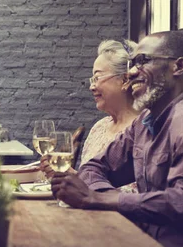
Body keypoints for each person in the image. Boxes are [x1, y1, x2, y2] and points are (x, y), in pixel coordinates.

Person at [50, 31, 183, 247]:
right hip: (151, 245)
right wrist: (99, 196)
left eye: (143, 61)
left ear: (178, 67)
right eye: (132, 63)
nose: (132, 71)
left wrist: (98, 199)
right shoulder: (145, 123)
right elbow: (94, 167)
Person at [41, 40, 139, 193]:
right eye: (92, 80)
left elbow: (141, 196)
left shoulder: (143, 131)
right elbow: (87, 183)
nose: (92, 86)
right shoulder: (99, 127)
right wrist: (66, 177)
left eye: (97, 78)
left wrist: (74, 178)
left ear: (125, 80)